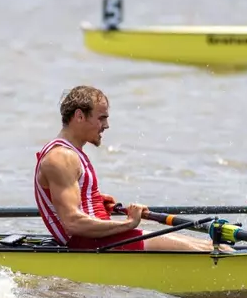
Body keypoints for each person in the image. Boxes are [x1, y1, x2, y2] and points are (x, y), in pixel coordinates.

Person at [34, 86, 214, 251]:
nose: (106, 125)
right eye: (101, 118)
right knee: (206, 250)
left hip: (101, 238)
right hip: (92, 243)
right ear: (80, 116)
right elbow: (72, 223)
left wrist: (91, 199)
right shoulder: (61, 157)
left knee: (208, 245)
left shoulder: (69, 153)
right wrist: (128, 223)